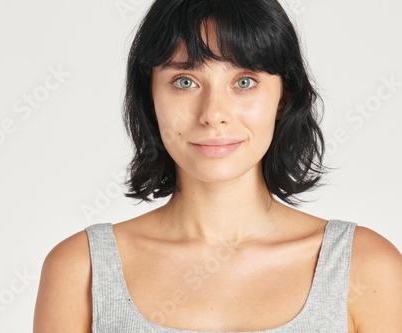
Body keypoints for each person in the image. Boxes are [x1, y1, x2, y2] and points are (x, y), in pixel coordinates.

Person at [33, 0, 402, 332]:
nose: (213, 114)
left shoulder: (365, 268)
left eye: (243, 82)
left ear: (283, 96)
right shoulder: (81, 270)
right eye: (185, 81)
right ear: (150, 95)